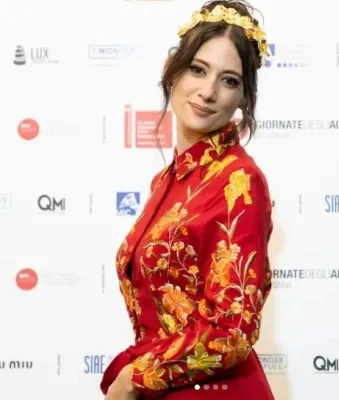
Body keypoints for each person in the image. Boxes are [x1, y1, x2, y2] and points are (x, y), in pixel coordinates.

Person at [101, 1, 274, 398]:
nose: (208, 92)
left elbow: (232, 330)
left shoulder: (240, 181)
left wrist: (136, 377)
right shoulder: (167, 181)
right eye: (198, 69)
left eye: (229, 80)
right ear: (171, 70)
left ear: (244, 97)